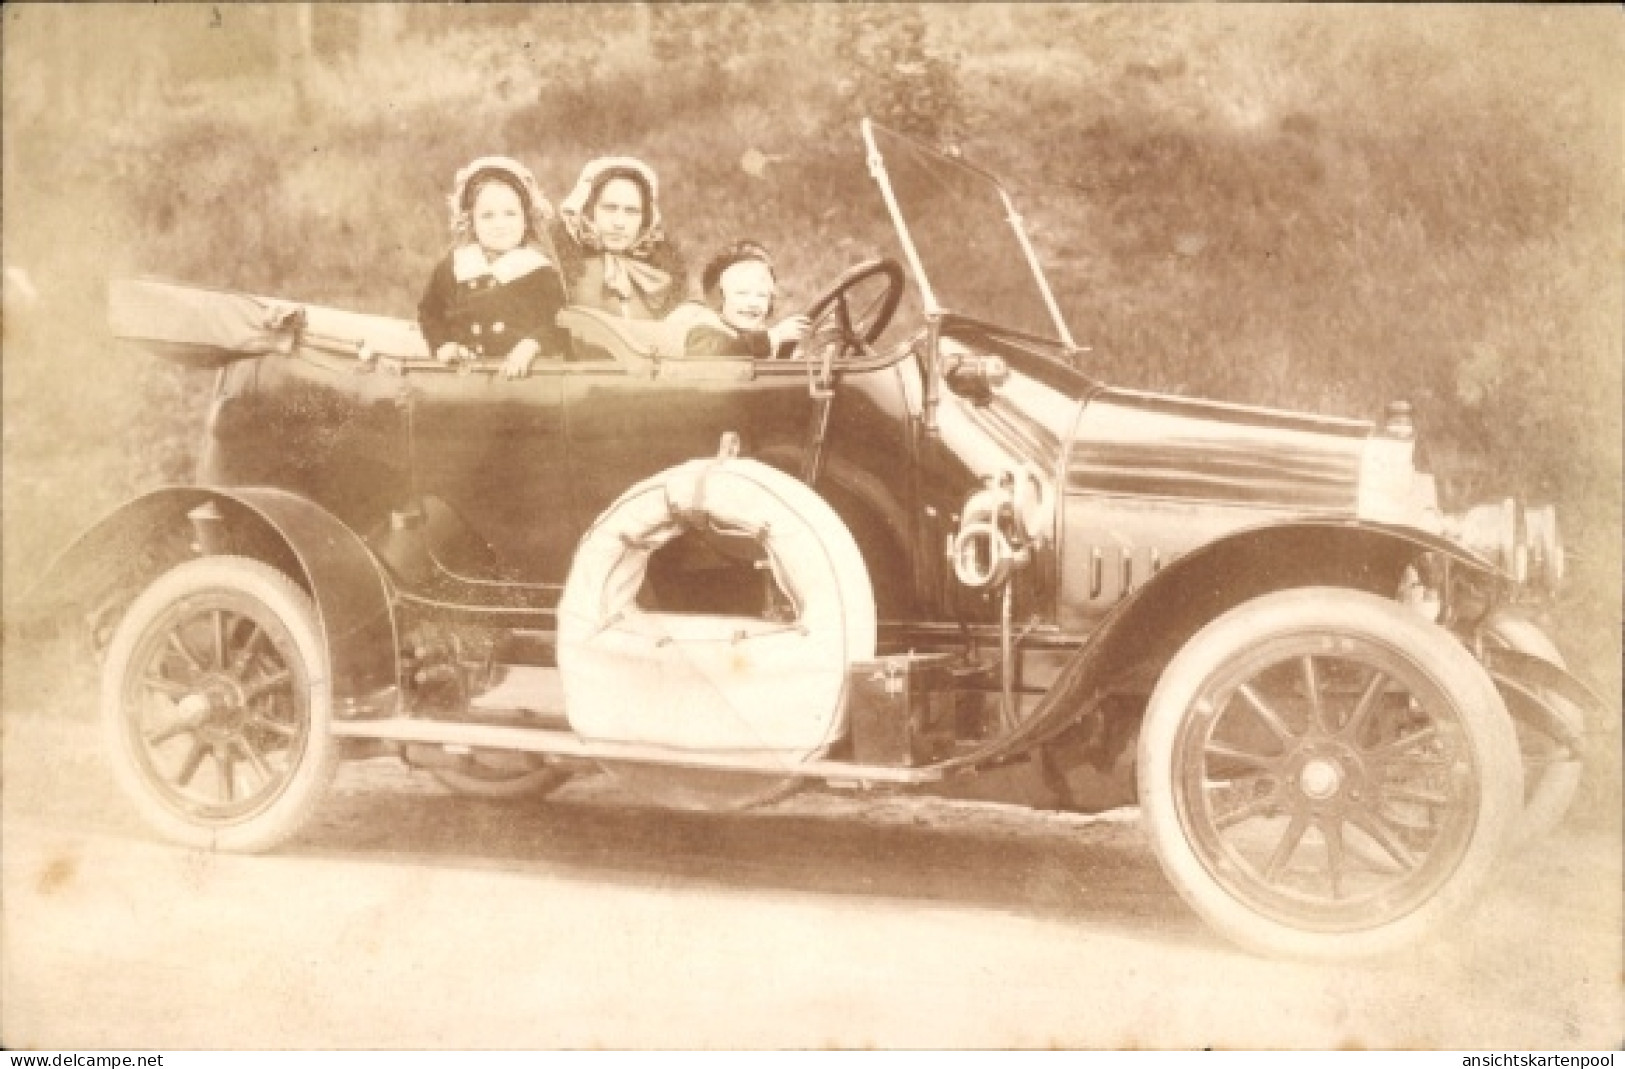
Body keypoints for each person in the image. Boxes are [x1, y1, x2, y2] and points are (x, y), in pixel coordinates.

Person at [417, 156, 566, 379]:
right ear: (471, 222)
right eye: (487, 216)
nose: (500, 225)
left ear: (526, 219)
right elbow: (430, 312)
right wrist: (443, 345)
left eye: (510, 214)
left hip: (523, 379)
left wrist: (530, 345)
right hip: (466, 377)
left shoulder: (538, 270)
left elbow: (556, 322)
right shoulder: (456, 265)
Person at [552, 157, 686, 320]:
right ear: (588, 210)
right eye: (609, 208)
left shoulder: (659, 275)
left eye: (631, 211)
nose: (619, 223)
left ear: (645, 219)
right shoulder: (562, 268)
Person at [666, 241, 810, 359]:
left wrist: (785, 357)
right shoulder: (703, 329)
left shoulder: (749, 332)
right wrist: (773, 337)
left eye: (762, 295)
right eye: (742, 293)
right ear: (719, 297)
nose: (752, 303)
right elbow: (720, 354)